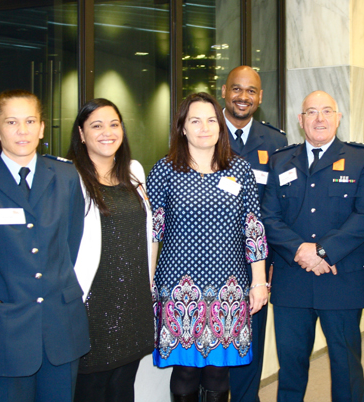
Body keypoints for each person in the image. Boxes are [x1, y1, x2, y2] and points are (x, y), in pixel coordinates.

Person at [0, 89, 89, 402]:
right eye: (11, 122)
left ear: (41, 127)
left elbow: (70, 241)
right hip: (3, 328)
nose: (22, 130)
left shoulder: (65, 175)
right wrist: (0, 286)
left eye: (29, 121)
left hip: (60, 325)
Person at [147, 92, 269, 402]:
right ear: (182, 128)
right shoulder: (165, 170)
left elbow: (253, 228)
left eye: (211, 120)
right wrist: (147, 282)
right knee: (186, 369)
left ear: (220, 126)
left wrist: (258, 282)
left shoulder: (239, 170)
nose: (204, 127)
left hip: (229, 288)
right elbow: (153, 231)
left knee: (219, 369)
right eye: (195, 120)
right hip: (179, 288)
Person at [261, 90, 364, 402]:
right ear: (301, 121)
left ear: (338, 117)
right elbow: (268, 217)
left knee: (346, 366)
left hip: (341, 278)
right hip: (292, 279)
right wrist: (301, 251)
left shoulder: (360, 159)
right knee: (291, 368)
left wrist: (323, 252)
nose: (319, 118)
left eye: (327, 111)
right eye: (311, 112)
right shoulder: (281, 161)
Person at [66, 98, 154, 402]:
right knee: (91, 389)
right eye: (96, 125)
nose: (107, 132)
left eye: (114, 124)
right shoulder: (70, 179)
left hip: (134, 302)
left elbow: (146, 235)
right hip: (93, 304)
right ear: (81, 133)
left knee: (122, 388)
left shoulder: (134, 171)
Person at [221, 65, 287, 402]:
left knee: (251, 341)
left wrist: (273, 261)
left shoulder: (276, 142)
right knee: (210, 347)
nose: (242, 97)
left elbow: (277, 209)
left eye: (250, 91)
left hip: (254, 264)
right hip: (209, 261)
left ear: (259, 98)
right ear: (224, 91)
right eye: (236, 89)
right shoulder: (203, 130)